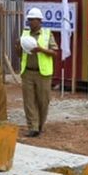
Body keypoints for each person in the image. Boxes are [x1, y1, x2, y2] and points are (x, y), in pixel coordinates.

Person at [18, 7, 59, 137]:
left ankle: (40, 125)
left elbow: (55, 53)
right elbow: (19, 54)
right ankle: (33, 127)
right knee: (29, 101)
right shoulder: (24, 34)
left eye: (33, 20)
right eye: (29, 20)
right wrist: (17, 47)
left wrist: (41, 49)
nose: (30, 22)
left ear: (39, 21)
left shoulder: (47, 34)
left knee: (43, 101)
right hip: (27, 72)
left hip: (43, 73)